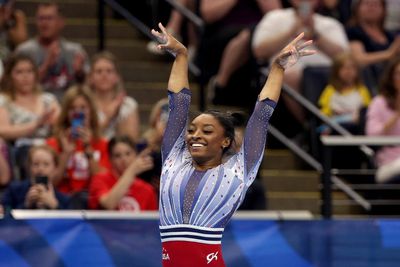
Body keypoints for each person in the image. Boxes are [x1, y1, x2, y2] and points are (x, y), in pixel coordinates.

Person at [151, 22, 314, 266]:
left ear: (226, 141)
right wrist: (182, 56)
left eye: (207, 131)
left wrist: (277, 69)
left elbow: (261, 116)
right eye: (193, 130)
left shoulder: (237, 171)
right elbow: (178, 104)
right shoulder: (173, 160)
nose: (195, 135)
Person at [252, 0, 348, 123]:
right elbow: (259, 51)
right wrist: (292, 31)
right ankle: (309, 126)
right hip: (289, 71)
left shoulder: (329, 23)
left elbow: (344, 56)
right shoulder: (275, 18)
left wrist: (315, 34)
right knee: (290, 76)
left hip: (325, 73)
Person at [0, 54, 60, 179]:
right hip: (20, 150)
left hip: (49, 147)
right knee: (32, 153)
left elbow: (60, 125)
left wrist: (55, 124)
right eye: (19, 72)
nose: (25, 76)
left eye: (29, 71)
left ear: (35, 75)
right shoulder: (4, 101)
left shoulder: (48, 99)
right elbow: (3, 131)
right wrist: (36, 124)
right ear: (10, 76)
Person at [46, 85, 110, 200]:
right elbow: (49, 184)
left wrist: (88, 150)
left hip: (91, 200)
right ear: (66, 113)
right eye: (72, 108)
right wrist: (65, 154)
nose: (78, 112)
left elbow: (104, 183)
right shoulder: (53, 143)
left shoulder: (103, 144)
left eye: (83, 108)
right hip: (61, 200)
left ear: (91, 111)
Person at [15, 2, 89, 98]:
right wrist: (47, 64)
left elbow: (90, 87)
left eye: (49, 18)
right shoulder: (24, 52)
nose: (44, 23)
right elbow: (15, 86)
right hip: (34, 106)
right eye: (41, 18)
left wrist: (80, 73)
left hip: (67, 108)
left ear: (61, 22)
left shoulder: (75, 51)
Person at [89, 135, 157, 211]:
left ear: (135, 155)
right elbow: (108, 204)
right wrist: (131, 171)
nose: (124, 159)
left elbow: (152, 221)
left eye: (128, 154)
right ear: (110, 159)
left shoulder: (147, 190)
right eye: (117, 156)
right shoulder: (99, 180)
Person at [346, 0, 400, 92]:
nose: (371, 7)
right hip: (371, 82)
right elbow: (359, 59)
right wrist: (389, 54)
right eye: (367, 4)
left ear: (384, 9)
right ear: (357, 8)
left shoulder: (389, 35)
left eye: (376, 4)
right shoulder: (353, 31)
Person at [88, 51, 140, 142]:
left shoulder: (128, 104)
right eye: (99, 71)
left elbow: (132, 142)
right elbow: (86, 138)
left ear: (117, 77)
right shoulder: (85, 104)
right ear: (91, 77)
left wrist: (118, 113)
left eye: (109, 71)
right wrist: (109, 117)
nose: (104, 75)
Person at [2, 144, 70, 211]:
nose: (40, 169)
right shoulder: (14, 191)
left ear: (55, 168)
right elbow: (5, 214)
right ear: (29, 167)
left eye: (46, 164)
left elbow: (72, 219)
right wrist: (26, 205)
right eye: (36, 164)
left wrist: (55, 206)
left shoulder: (63, 199)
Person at [318, 53, 371, 134]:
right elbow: (324, 112)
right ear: (336, 71)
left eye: (352, 68)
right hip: (335, 127)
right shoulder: (330, 90)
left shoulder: (362, 90)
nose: (348, 71)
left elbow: (367, 111)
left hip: (356, 128)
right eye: (344, 68)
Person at [366, 57, 400, 183]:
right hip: (388, 161)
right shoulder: (379, 103)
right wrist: (397, 114)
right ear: (391, 78)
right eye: (398, 74)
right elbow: (372, 136)